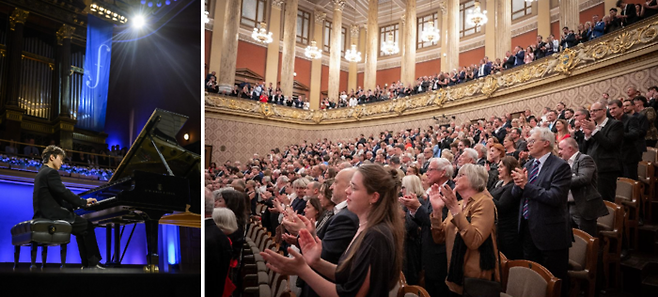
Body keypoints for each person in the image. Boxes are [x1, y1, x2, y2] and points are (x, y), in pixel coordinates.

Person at [261, 164, 404, 297]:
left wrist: (302, 270)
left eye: (353, 188)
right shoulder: (367, 228)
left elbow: (349, 294)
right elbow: (345, 274)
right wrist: (316, 262)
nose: (347, 191)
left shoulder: (376, 235)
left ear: (374, 197)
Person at [510, 127, 572, 297]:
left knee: (555, 280)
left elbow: (555, 197)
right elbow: (517, 195)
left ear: (546, 143)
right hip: (528, 229)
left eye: (532, 141)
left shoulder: (560, 166)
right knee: (534, 279)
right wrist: (517, 184)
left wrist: (525, 185)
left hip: (551, 232)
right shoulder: (529, 164)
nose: (528, 144)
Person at [429, 164, 500, 295]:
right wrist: (437, 211)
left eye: (461, 175)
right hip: (455, 276)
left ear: (474, 178)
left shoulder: (484, 202)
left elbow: (474, 241)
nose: (455, 179)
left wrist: (455, 210)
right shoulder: (459, 204)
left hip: (475, 280)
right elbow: (439, 238)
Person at [32, 145, 103, 269]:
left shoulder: (41, 173)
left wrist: (73, 206)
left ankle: (87, 264)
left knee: (81, 228)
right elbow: (64, 192)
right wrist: (83, 202)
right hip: (52, 214)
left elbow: (55, 198)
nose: (62, 162)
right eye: (61, 159)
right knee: (87, 226)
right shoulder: (51, 172)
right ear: (52, 157)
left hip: (43, 213)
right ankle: (92, 263)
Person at [557, 138, 609, 236]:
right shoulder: (564, 162)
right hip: (567, 206)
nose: (559, 152)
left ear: (570, 149)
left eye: (560, 149)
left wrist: (561, 181)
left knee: (585, 237)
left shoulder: (585, 159)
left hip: (582, 206)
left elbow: (584, 178)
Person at [490, 156, 523, 260]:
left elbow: (501, 207)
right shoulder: (498, 183)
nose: (498, 169)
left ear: (509, 168)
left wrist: (486, 195)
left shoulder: (513, 186)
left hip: (508, 231)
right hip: (497, 228)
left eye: (501, 167)